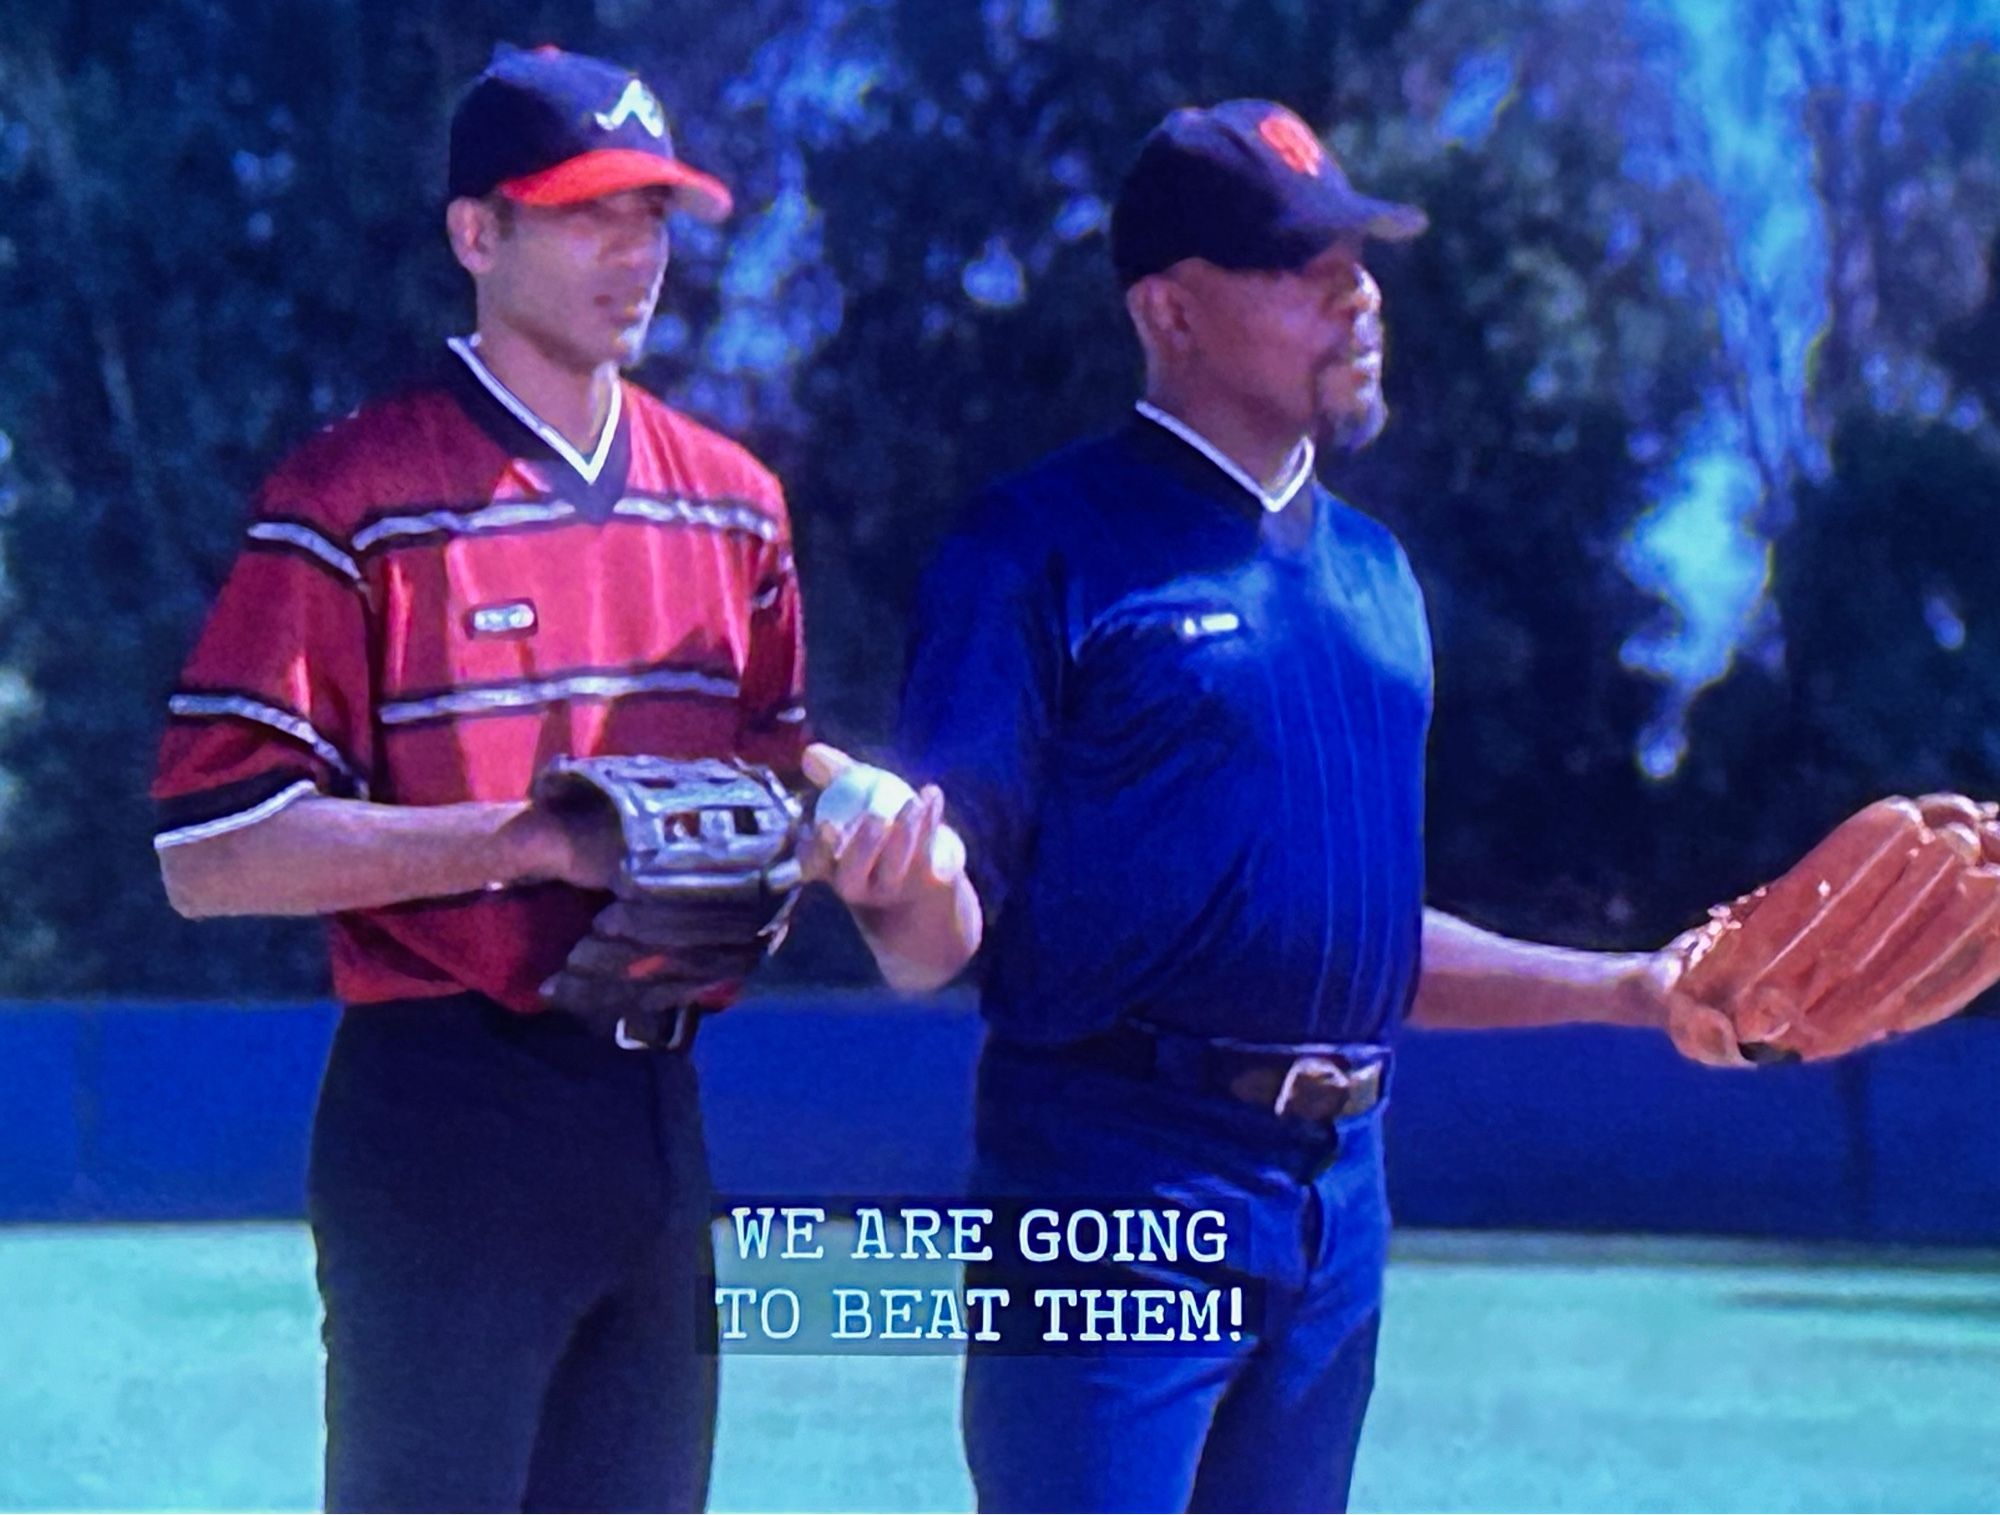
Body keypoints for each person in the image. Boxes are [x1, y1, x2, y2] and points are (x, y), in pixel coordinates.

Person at [152, 43, 978, 1514]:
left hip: (659, 1119)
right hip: (446, 1111)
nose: (637, 250)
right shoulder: (355, 495)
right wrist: (537, 842)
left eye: (654, 214)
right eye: (590, 212)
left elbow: (777, 777)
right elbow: (214, 849)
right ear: (480, 235)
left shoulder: (731, 503)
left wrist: (875, 844)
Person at [895, 99, 1744, 1514]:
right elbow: (943, 888)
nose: (1355, 292)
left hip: (1338, 1197)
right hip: (1115, 1182)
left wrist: (1635, 988)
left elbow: (1353, 937)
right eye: (1299, 265)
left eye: (1358, 255)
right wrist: (894, 870)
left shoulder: (1377, 580)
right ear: (1169, 310)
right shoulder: (1037, 547)